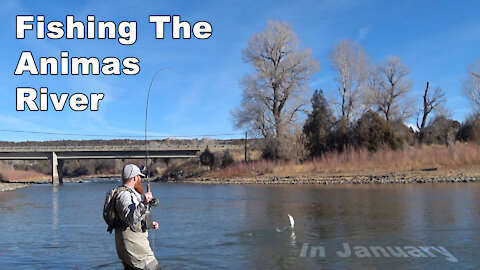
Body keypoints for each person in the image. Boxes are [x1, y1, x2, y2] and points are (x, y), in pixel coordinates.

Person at [114, 164, 161, 270]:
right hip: (136, 251)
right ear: (135, 177)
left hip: (130, 250)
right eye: (139, 177)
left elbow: (129, 218)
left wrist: (148, 223)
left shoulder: (127, 193)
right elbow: (131, 219)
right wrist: (144, 203)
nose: (140, 180)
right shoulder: (125, 196)